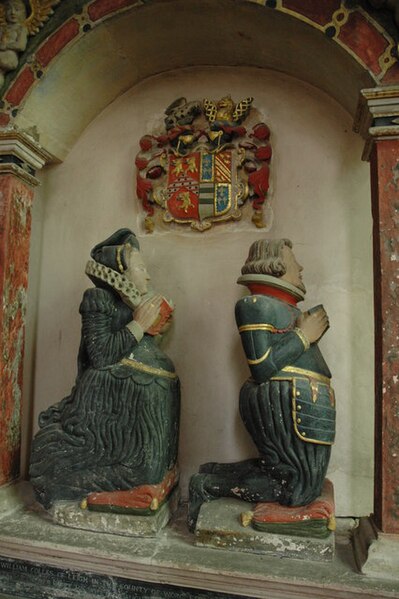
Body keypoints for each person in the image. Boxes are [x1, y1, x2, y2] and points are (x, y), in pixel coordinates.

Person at [188, 238, 335, 531]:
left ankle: (215, 472)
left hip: (303, 403)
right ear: (275, 265)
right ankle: (208, 485)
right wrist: (303, 336)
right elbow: (261, 367)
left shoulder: (286, 309)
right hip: (284, 400)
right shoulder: (254, 305)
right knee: (297, 490)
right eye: (294, 261)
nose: (301, 267)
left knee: (298, 480)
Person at [30, 229, 180, 511]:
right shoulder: (97, 298)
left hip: (134, 389)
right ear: (120, 271)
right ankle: (122, 481)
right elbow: (100, 355)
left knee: (151, 461)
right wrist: (139, 324)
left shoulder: (129, 302)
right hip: (104, 396)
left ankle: (150, 475)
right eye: (141, 269)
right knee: (134, 464)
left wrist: (154, 326)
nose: (147, 276)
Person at [0, 0, 28, 87]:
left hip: (9, 58)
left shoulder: (21, 29)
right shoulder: (2, 28)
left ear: (23, 12)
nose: (12, 12)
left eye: (17, 9)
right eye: (8, 9)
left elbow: (21, 46)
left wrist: (5, 46)